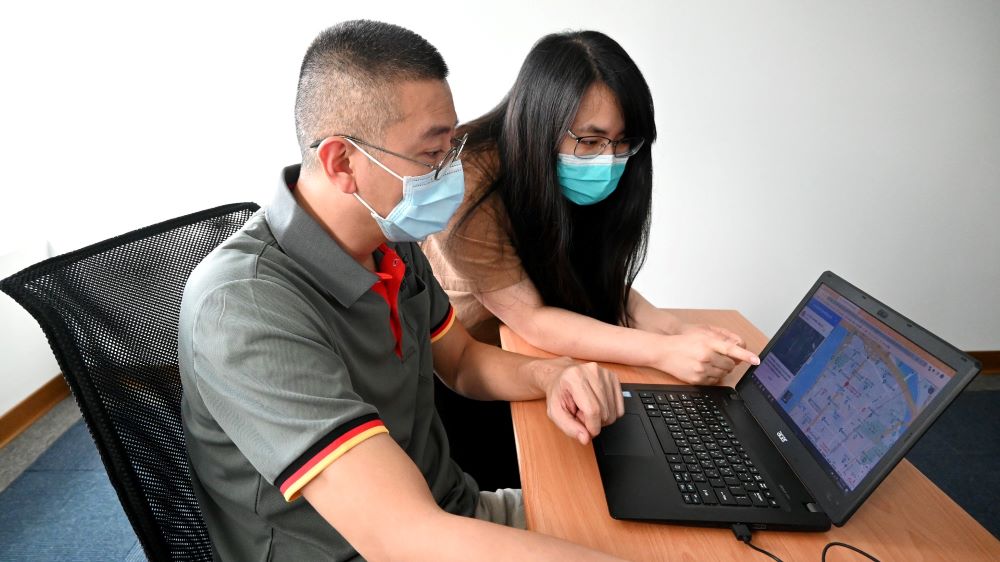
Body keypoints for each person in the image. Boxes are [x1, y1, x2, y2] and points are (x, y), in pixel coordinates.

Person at [178, 21, 625, 561]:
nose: (451, 172)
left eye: (452, 147)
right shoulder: (242, 308)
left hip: (452, 517)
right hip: (388, 546)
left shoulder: (388, 237)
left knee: (661, 527)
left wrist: (550, 375)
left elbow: (461, 361)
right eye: (432, 154)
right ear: (343, 163)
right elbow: (404, 539)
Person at [421, 30, 761, 488]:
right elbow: (530, 318)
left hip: (544, 358)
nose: (609, 160)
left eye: (623, 142)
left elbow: (593, 273)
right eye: (591, 140)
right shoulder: (467, 184)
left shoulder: (578, 168)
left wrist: (672, 328)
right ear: (542, 123)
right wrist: (665, 352)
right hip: (475, 376)